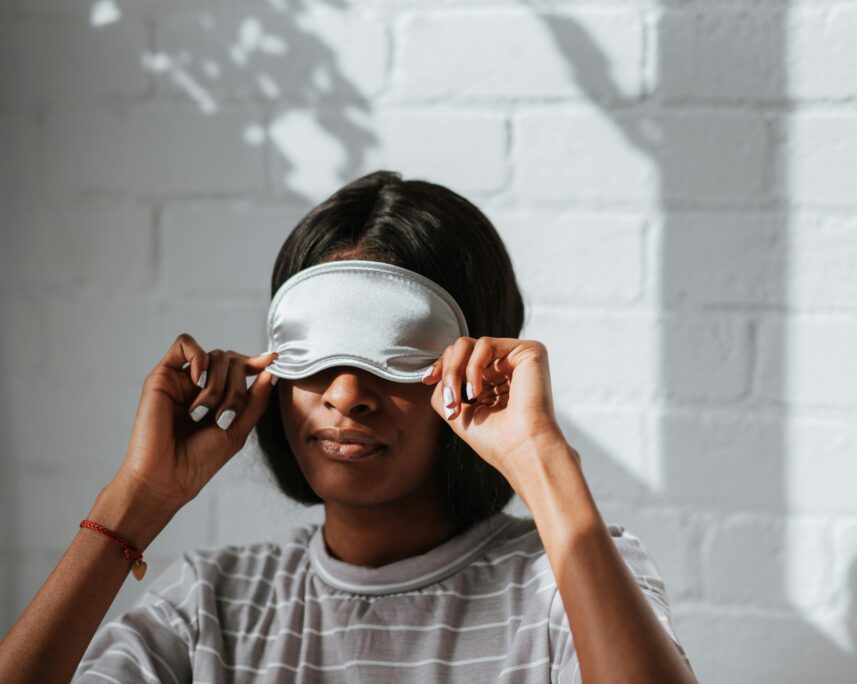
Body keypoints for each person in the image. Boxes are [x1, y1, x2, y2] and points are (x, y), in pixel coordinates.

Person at [0, 170, 697, 683]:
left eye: (394, 356)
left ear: (478, 361)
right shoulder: (210, 605)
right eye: (318, 355)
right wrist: (139, 496)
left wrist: (542, 460)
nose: (347, 394)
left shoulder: (565, 582)